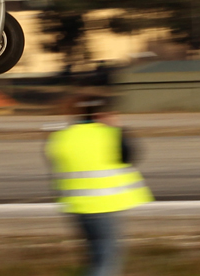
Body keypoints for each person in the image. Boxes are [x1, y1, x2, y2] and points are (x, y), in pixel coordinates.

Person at [45, 95, 152, 276]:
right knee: (106, 262)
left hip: (77, 206)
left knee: (94, 257)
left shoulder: (60, 137)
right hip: (103, 205)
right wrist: (116, 127)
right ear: (100, 114)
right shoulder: (110, 134)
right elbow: (129, 156)